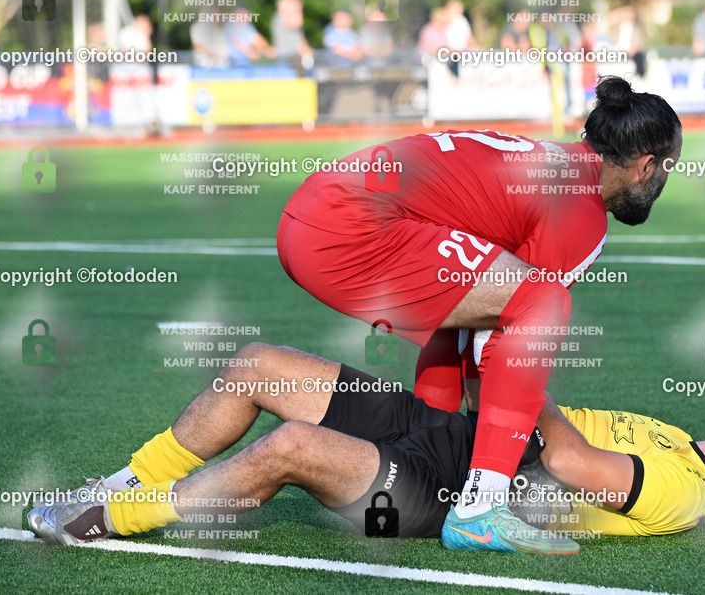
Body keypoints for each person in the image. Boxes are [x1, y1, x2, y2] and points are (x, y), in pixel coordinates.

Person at [274, 76, 683, 553]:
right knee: (542, 302)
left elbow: (473, 321)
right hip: (348, 228)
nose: (666, 180)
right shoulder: (580, 211)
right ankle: (480, 509)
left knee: (479, 309)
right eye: (669, 166)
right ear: (645, 166)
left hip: (312, 214)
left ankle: (428, 460)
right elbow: (502, 342)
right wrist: (505, 434)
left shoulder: (553, 161)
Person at [27, 342, 705, 548]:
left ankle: (109, 515)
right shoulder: (675, 439)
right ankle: (127, 473)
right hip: (445, 430)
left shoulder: (685, 494)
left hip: (438, 488)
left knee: (288, 447)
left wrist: (516, 375)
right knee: (254, 367)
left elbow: (571, 462)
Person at [271, 0, 314, 73]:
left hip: (295, 56)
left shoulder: (287, 18)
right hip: (287, 57)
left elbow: (300, 38)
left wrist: (306, 49)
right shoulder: (280, 17)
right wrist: (298, 9)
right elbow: (297, 23)